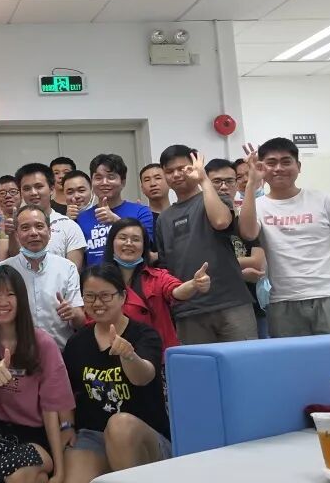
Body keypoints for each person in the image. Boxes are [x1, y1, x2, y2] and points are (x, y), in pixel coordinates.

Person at [59, 265, 170, 483]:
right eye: (90, 296)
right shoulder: (77, 343)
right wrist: (66, 426)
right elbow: (65, 392)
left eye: (105, 296)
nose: (97, 303)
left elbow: (143, 377)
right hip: (94, 435)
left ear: (122, 296)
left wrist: (129, 356)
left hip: (143, 435)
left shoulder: (145, 335)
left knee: (120, 425)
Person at [238, 139, 330, 338]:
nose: (278, 168)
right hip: (282, 301)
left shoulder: (323, 200)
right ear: (261, 167)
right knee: (292, 358)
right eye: (271, 163)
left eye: (286, 161)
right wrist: (251, 183)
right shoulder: (258, 206)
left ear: (298, 166)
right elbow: (248, 233)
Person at [0, 266, 75, 483]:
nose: (3, 302)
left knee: (19, 477)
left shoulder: (43, 344)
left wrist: (59, 474)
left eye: (10, 294)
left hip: (33, 433)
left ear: (21, 299)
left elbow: (52, 410)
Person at [154, 146, 256, 344]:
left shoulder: (216, 198)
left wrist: (203, 179)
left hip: (231, 302)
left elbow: (221, 221)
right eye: (169, 171)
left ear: (195, 167)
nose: (176, 174)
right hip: (188, 309)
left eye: (182, 168)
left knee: (245, 361)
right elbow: (165, 266)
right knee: (199, 363)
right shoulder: (164, 219)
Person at [102, 218, 211, 353]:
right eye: (123, 238)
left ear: (144, 247)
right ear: (111, 242)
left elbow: (176, 291)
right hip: (115, 353)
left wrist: (194, 284)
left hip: (158, 354)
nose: (129, 243)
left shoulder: (157, 276)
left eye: (136, 239)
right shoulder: (101, 279)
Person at [0, 205, 85, 349]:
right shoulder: (2, 271)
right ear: (16, 234)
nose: (33, 233)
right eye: (25, 228)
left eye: (39, 226)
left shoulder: (67, 268)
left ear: (49, 231)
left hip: (61, 353)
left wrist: (73, 313)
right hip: (17, 354)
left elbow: (80, 321)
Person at [204, 159, 268, 338]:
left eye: (230, 181)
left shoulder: (245, 221)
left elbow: (257, 261)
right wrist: (239, 272)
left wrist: (224, 267)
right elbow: (203, 264)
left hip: (251, 303)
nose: (224, 187)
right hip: (209, 306)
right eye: (217, 182)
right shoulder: (200, 223)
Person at [77, 154, 154, 267]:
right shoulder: (82, 218)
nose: (104, 182)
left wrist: (117, 221)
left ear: (123, 182)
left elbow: (146, 248)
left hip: (132, 275)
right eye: (98, 178)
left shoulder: (141, 212)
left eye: (111, 177)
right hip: (95, 277)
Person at [16, 163, 87, 269]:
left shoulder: (69, 226)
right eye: (26, 188)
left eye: (39, 186)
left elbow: (73, 272)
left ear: (52, 189)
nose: (33, 192)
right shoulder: (15, 227)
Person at [0, 175, 20, 244]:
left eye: (13, 191)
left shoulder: (29, 220)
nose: (8, 196)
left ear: (21, 195)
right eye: (2, 193)